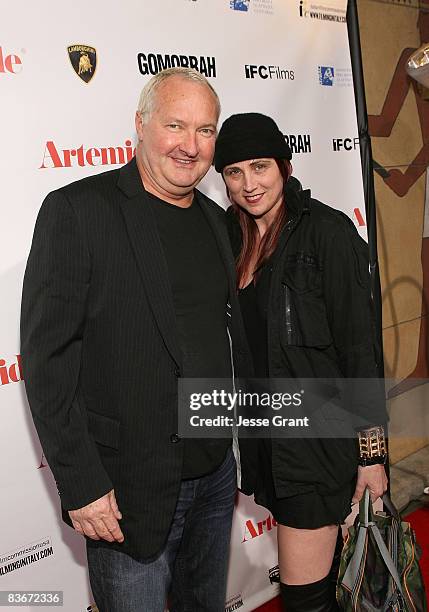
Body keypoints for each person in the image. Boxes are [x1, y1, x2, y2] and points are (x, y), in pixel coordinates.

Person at [20, 68, 252, 612]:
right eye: (176, 125)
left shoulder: (218, 222)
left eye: (206, 130)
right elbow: (48, 363)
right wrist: (80, 485)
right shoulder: (79, 211)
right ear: (140, 125)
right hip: (127, 492)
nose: (190, 146)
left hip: (215, 479)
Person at [213, 113, 389, 611]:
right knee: (321, 589)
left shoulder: (328, 235)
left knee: (304, 599)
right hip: (268, 442)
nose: (249, 185)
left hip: (318, 444)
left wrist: (372, 455)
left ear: (285, 167)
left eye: (260, 166)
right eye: (234, 172)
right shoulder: (229, 237)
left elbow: (361, 352)